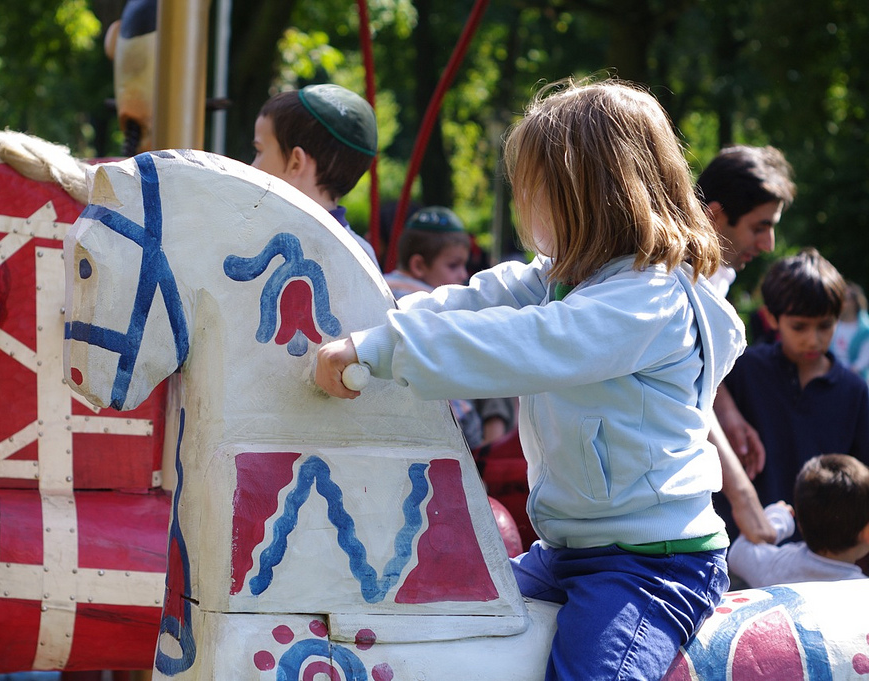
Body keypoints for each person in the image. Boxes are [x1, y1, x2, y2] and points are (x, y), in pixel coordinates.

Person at [316, 78, 744, 680]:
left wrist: (385, 350)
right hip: (565, 552)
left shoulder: (648, 302)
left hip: (650, 565)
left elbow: (531, 343)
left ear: (586, 195)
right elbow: (477, 300)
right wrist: (362, 326)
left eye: (534, 191)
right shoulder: (563, 275)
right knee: (438, 624)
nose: (523, 207)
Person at [696, 146, 797, 544]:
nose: (770, 243)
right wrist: (742, 496)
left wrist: (729, 410)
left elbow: (700, 373)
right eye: (760, 227)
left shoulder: (718, 271)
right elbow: (684, 394)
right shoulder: (678, 282)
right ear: (716, 216)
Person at [722, 249, 869, 505]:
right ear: (771, 318)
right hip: (748, 534)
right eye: (799, 327)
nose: (813, 340)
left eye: (825, 326)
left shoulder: (854, 390)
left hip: (823, 541)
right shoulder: (743, 371)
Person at [382, 206, 482, 447]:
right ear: (418, 265)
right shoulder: (433, 304)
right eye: (453, 265)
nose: (463, 275)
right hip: (442, 419)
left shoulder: (380, 287)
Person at [251, 83, 379, 266]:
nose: (252, 166)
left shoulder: (255, 240)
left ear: (296, 162)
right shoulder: (360, 256)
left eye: (258, 151)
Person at [728, 454, 869, 587]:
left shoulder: (778, 564)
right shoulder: (860, 590)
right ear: (866, 533)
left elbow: (738, 553)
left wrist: (777, 520)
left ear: (800, 523)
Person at [695, 145, 797, 297]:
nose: (768, 246)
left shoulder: (718, 280)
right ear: (714, 217)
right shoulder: (669, 291)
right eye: (759, 228)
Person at [830, 280, 869, 381]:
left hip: (856, 380)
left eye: (846, 299)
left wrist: (846, 374)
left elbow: (864, 360)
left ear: (855, 302)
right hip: (831, 376)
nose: (842, 302)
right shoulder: (831, 324)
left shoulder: (866, 328)